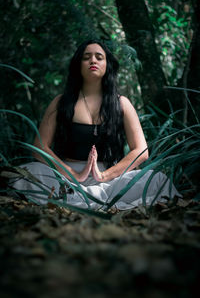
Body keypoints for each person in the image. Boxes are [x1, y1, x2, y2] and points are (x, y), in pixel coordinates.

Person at [12, 39, 181, 210]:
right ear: (78, 64)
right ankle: (95, 203)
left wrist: (104, 176)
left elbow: (141, 151)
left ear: (108, 65)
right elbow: (39, 148)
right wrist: (73, 174)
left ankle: (87, 202)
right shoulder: (61, 102)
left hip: (110, 180)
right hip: (67, 179)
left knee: (156, 180)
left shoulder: (122, 103)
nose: (93, 60)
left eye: (99, 57)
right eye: (87, 57)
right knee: (26, 173)